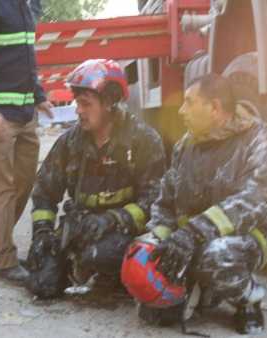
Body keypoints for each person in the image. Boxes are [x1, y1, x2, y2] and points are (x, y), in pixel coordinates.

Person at [127, 74, 267, 334]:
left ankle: (250, 298)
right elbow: (165, 201)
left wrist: (193, 232)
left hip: (247, 235)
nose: (181, 110)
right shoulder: (185, 145)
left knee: (216, 256)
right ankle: (207, 290)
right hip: (193, 238)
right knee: (156, 310)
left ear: (214, 108)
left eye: (189, 102)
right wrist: (159, 239)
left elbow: (256, 201)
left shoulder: (259, 138)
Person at [25, 59, 166, 298]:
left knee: (100, 255)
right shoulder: (70, 142)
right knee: (42, 283)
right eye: (76, 103)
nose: (78, 110)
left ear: (109, 103)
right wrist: (43, 233)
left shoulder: (143, 140)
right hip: (81, 227)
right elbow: (44, 192)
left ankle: (111, 276)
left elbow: (156, 200)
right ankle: (81, 268)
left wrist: (113, 219)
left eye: (85, 104)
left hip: (123, 230)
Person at [0, 0, 54, 283]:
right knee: (2, 188)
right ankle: (4, 260)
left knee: (24, 182)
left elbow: (25, 56)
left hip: (25, 113)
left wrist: (39, 96)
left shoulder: (23, 6)